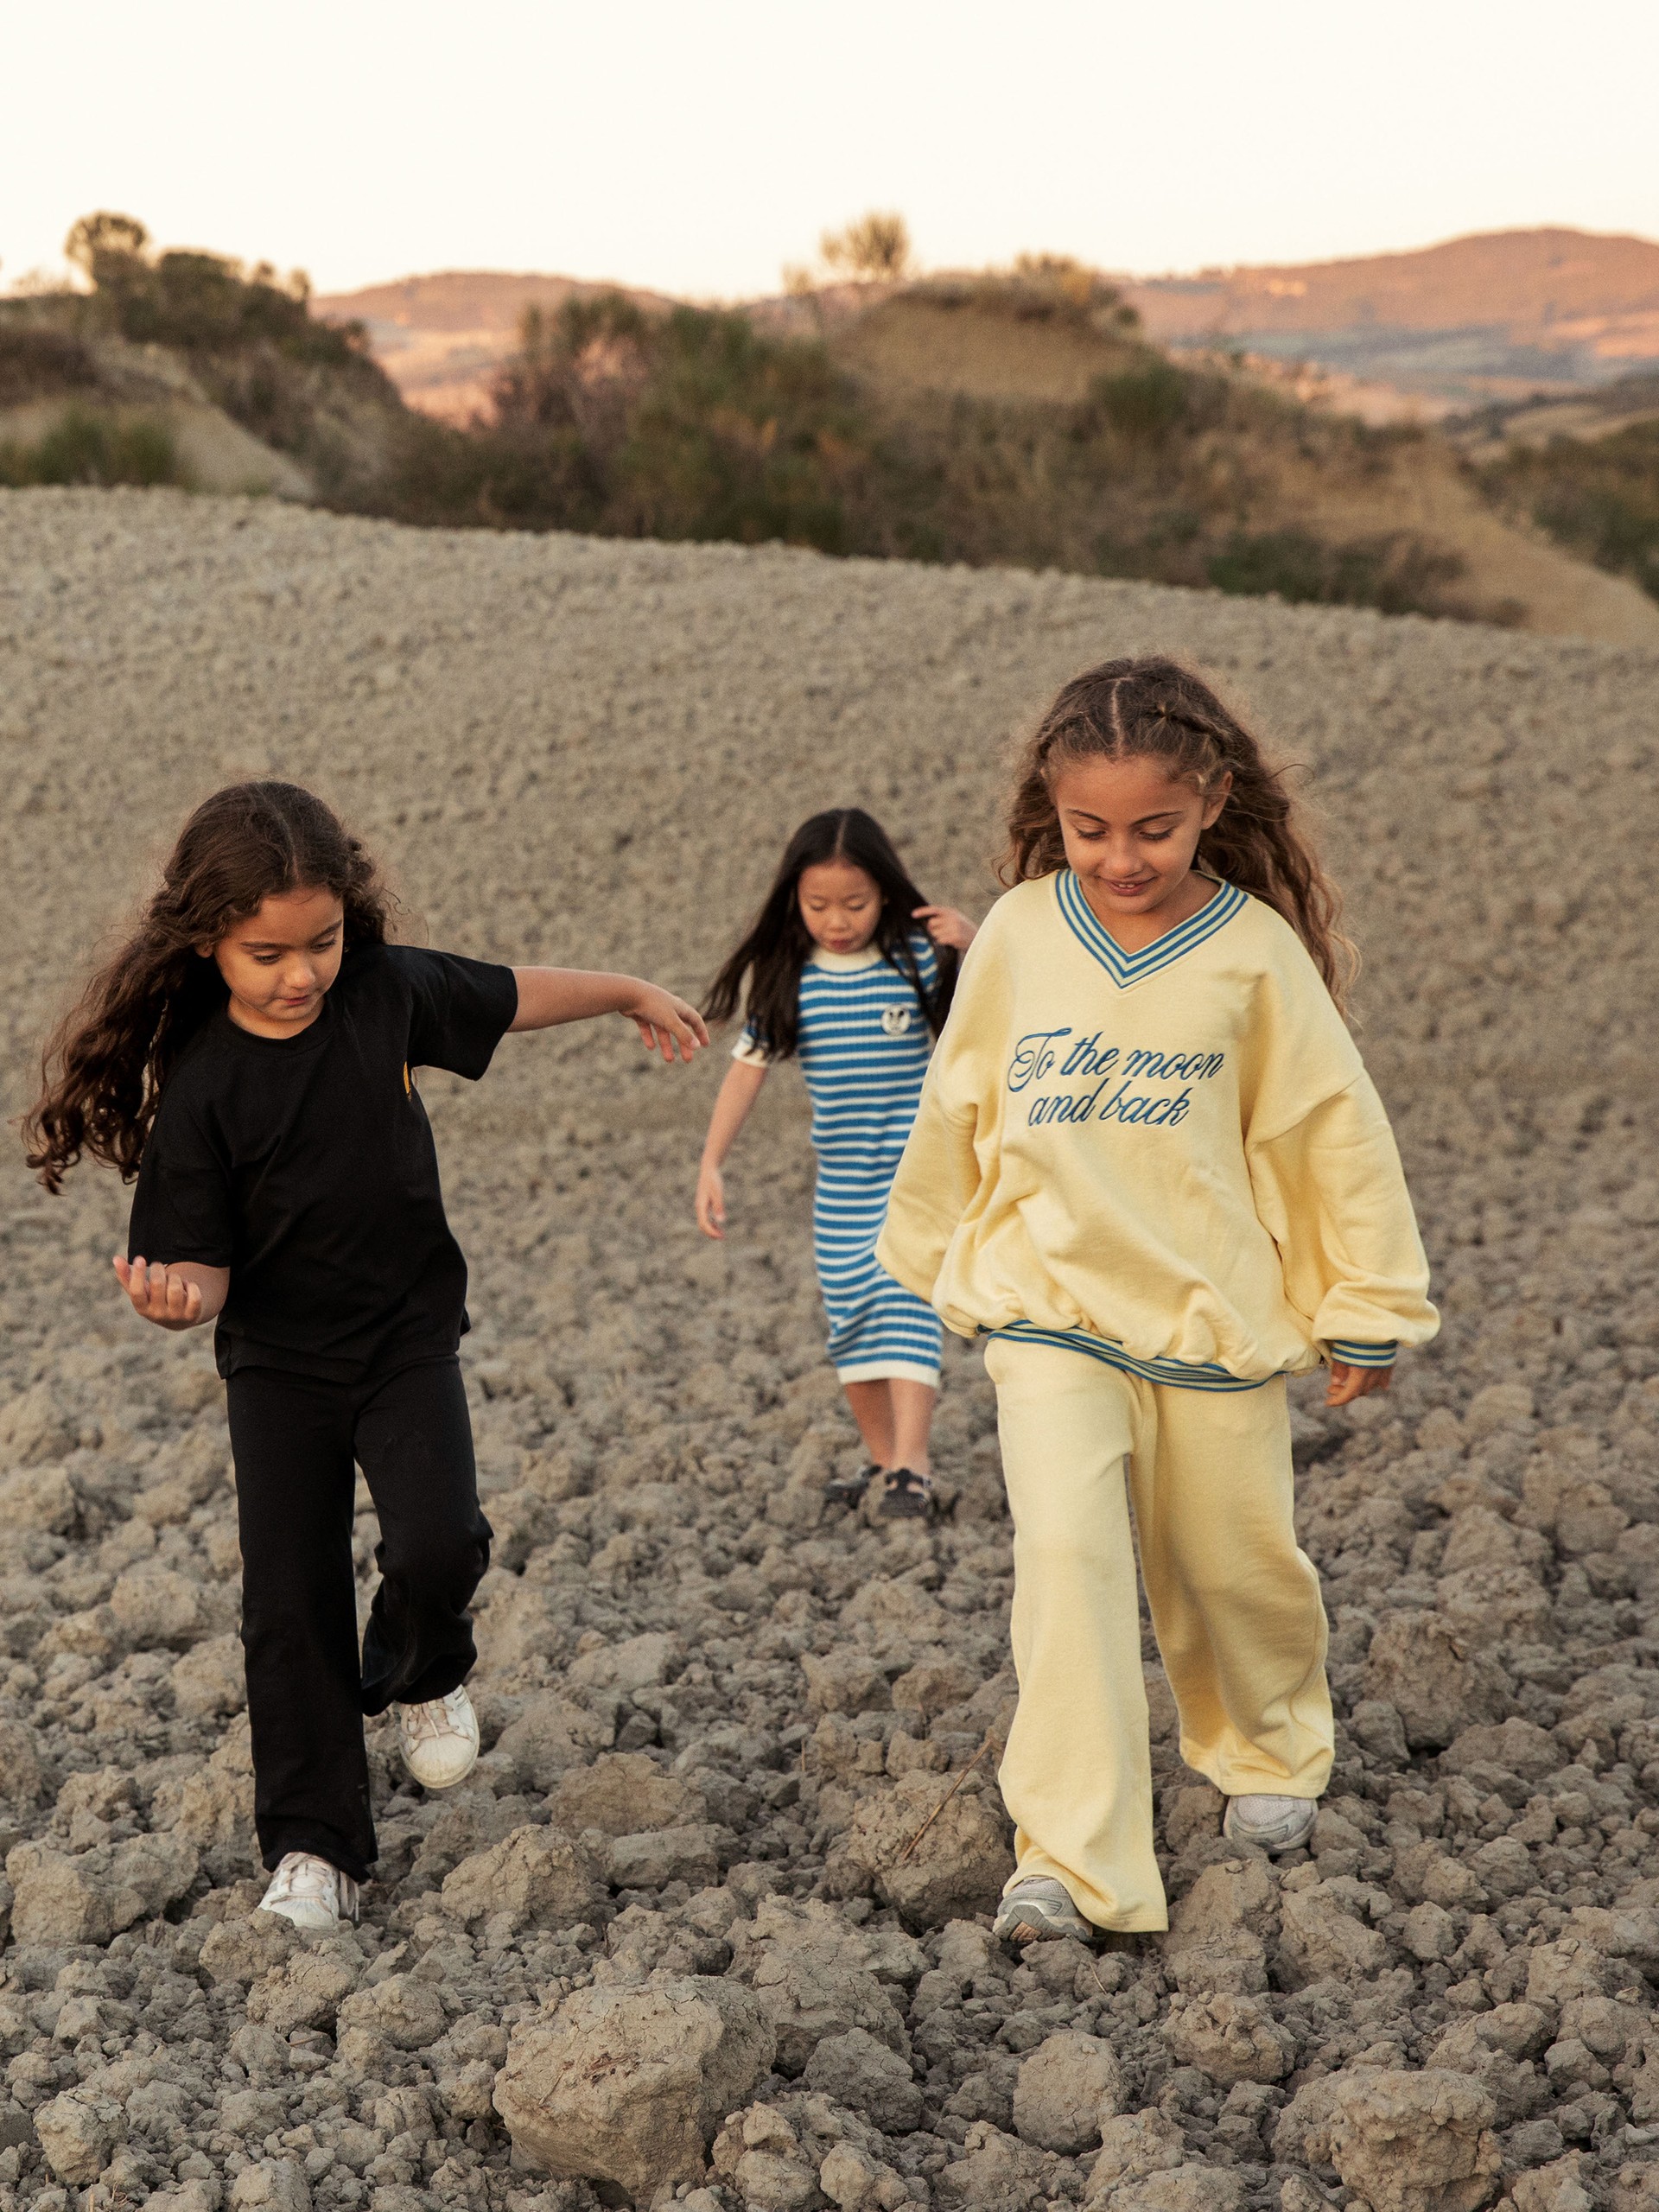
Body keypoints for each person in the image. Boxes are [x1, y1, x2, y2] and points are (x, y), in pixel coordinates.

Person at [24, 780, 707, 1932]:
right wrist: (179, 1303)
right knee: (289, 1605)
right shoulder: (200, 1085)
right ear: (205, 944)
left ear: (351, 919)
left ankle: (423, 1669)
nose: (301, 973)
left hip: (403, 1340)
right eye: (267, 953)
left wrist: (625, 991)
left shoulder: (384, 995)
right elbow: (210, 1272)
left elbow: (509, 993)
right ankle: (314, 1848)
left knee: (440, 1542)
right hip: (280, 1369)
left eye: (322, 942)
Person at [875, 657, 1438, 1940]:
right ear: (1052, 814)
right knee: (1065, 1563)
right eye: (1089, 830)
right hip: (1047, 1309)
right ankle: (1071, 1866)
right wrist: (923, 1264)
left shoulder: (1253, 954)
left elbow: (1326, 1133)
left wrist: (1367, 1301)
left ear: (1213, 803)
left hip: (1210, 1323)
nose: (1120, 857)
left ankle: (1267, 1745)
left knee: (1230, 1571)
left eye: (1153, 829)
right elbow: (958, 1102)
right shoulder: (1018, 933)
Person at [696, 808, 976, 1516]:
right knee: (850, 1319)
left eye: (855, 903)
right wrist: (712, 1162)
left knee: (908, 1304)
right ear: (795, 899)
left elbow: (989, 1017)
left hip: (914, 1179)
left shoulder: (915, 958)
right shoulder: (790, 978)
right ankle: (886, 1468)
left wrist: (975, 946)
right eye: (818, 905)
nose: (837, 920)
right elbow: (746, 1071)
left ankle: (914, 1464)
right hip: (841, 1189)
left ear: (886, 892)